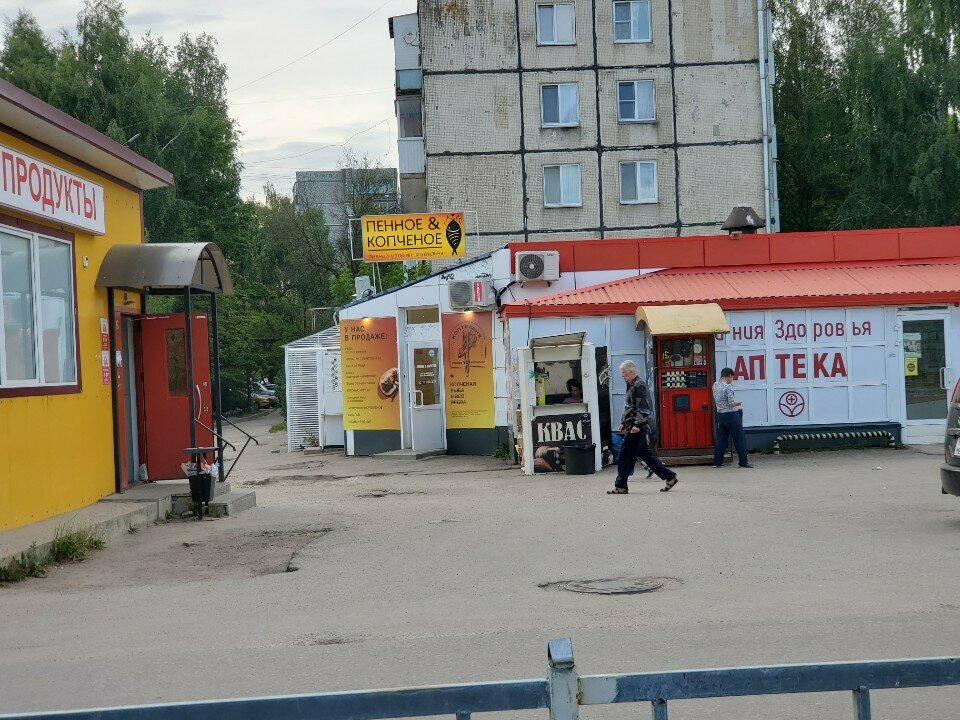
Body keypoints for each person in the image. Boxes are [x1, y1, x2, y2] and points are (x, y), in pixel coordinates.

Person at [608, 360, 679, 494]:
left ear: (632, 372)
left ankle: (621, 486)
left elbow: (644, 408)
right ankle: (670, 477)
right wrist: (623, 422)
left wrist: (637, 425)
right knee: (647, 456)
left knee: (624, 455)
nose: (622, 377)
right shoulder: (630, 384)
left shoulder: (639, 385)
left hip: (636, 427)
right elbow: (629, 406)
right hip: (632, 425)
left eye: (624, 374)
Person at [712, 367, 753, 468]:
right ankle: (743, 462)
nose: (732, 380)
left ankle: (717, 463)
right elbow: (731, 404)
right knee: (739, 438)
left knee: (721, 439)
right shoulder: (728, 387)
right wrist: (739, 403)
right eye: (732, 377)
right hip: (731, 415)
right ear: (729, 376)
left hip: (720, 415)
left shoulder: (715, 385)